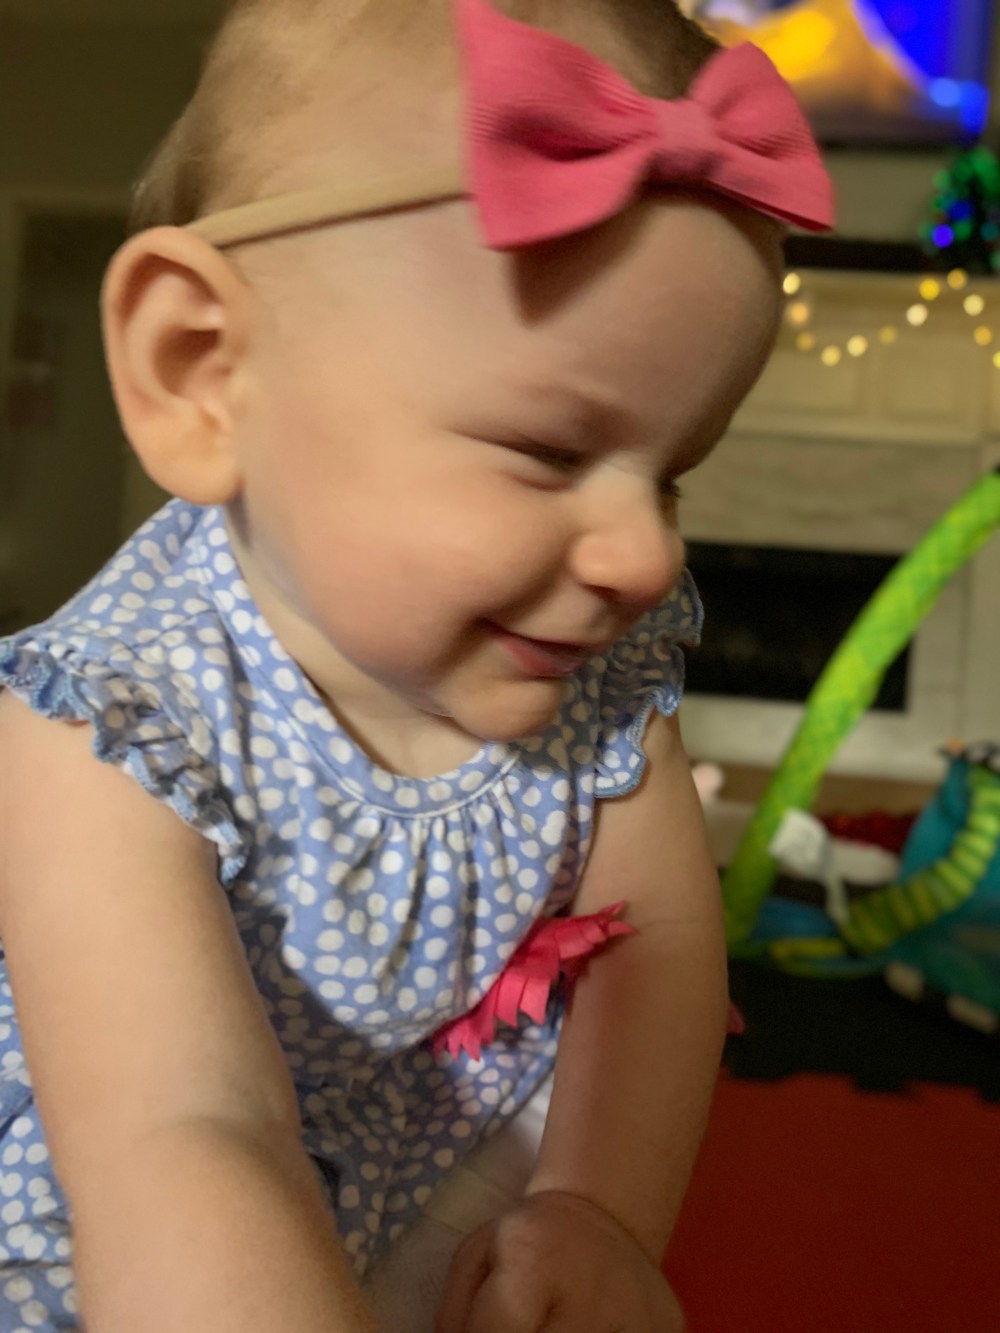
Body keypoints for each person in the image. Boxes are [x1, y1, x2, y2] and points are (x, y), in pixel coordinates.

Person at [0, 1, 833, 1329]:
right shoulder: (104, 722)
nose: (642, 554)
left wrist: (601, 1208)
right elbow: (187, 1129)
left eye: (671, 474)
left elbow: (661, 947)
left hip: (418, 1153)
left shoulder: (603, 673)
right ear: (202, 372)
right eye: (550, 452)